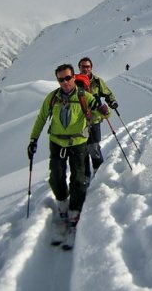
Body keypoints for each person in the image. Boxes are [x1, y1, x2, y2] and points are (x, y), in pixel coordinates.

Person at [27, 64, 109, 232]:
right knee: (56, 178)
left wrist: (103, 112)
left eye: (67, 78)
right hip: (56, 143)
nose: (65, 82)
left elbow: (102, 114)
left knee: (78, 180)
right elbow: (41, 118)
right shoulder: (52, 98)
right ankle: (63, 203)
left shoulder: (85, 97)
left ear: (74, 77)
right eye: (60, 79)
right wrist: (33, 139)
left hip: (78, 143)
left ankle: (75, 209)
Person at [78, 57, 118, 179]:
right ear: (79, 67)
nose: (86, 69)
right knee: (81, 149)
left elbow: (107, 93)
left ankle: (98, 171)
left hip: (94, 119)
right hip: (79, 121)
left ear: (91, 68)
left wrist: (112, 102)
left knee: (94, 146)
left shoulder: (97, 81)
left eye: (88, 66)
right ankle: (84, 174)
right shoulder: (74, 82)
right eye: (83, 66)